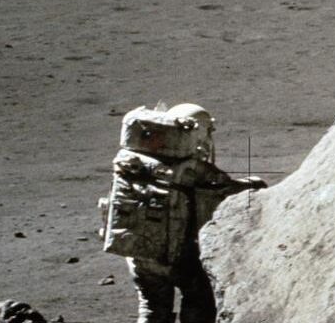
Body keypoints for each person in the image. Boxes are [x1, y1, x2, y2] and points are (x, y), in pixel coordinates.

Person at [101, 103, 267, 323]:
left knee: (152, 305)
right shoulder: (191, 169)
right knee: (200, 300)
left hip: (139, 252)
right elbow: (226, 190)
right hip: (177, 256)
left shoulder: (138, 163)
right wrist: (254, 184)